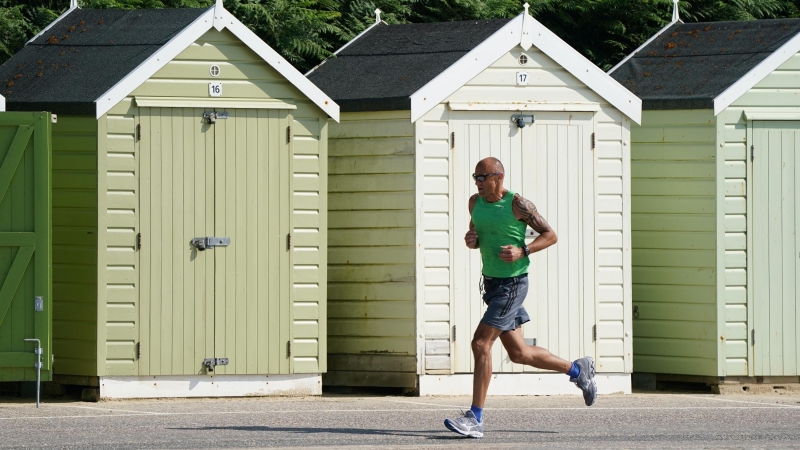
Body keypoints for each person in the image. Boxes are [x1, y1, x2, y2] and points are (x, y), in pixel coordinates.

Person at [444, 157, 597, 439]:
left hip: (512, 284)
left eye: (482, 177)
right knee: (519, 353)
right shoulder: (474, 203)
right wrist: (472, 239)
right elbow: (477, 234)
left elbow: (550, 235)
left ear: (498, 178)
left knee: (480, 343)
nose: (476, 183)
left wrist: (523, 251)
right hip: (492, 285)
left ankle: (475, 418)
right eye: (475, 177)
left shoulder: (518, 205)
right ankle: (577, 370)